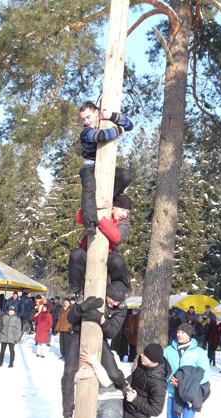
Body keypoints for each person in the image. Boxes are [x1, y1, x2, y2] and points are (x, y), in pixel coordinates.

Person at [60, 281, 128, 418]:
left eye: (118, 301)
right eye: (112, 299)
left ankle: (124, 386)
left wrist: (101, 319)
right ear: (106, 294)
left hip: (99, 338)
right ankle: (67, 415)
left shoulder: (120, 309)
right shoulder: (94, 294)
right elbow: (70, 319)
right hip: (76, 335)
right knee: (69, 373)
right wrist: (81, 308)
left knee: (114, 372)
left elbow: (112, 332)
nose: (115, 303)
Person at [79, 101, 134, 236]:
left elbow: (130, 125)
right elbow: (101, 136)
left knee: (125, 175)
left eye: (88, 117)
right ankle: (90, 223)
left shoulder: (106, 122)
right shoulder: (86, 132)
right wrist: (119, 130)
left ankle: (109, 199)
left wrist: (112, 116)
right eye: (83, 119)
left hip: (106, 167)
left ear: (96, 113)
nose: (86, 121)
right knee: (89, 186)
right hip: (90, 167)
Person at [162, 323, 211, 418]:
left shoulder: (199, 352)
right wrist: (171, 380)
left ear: (190, 334)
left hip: (190, 397)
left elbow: (205, 375)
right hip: (172, 395)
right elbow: (162, 370)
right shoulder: (168, 351)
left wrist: (184, 383)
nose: (180, 335)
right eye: (178, 331)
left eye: (183, 332)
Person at [69, 194, 132, 301]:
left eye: (127, 212)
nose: (124, 214)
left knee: (118, 261)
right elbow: (79, 218)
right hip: (88, 252)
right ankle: (77, 291)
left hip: (107, 257)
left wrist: (100, 219)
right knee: (76, 254)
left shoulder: (124, 223)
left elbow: (116, 236)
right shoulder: (100, 211)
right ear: (113, 207)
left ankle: (122, 292)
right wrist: (93, 207)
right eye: (122, 210)